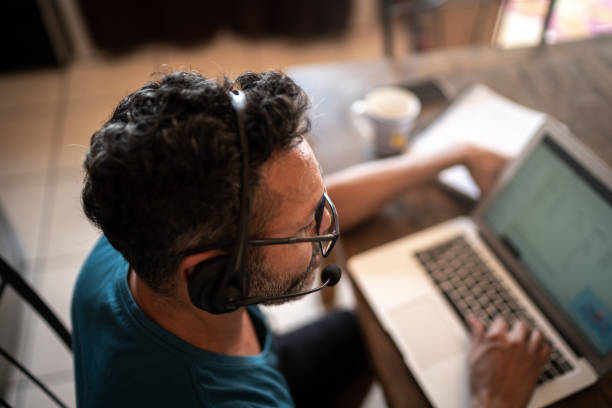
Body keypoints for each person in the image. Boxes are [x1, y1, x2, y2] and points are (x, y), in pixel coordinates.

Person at [72, 71, 550, 408]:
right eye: (306, 227)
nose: (328, 225)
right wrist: (494, 401)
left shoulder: (140, 234)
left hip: (257, 358)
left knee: (359, 331)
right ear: (213, 274)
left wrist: (452, 154)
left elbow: (285, 210)